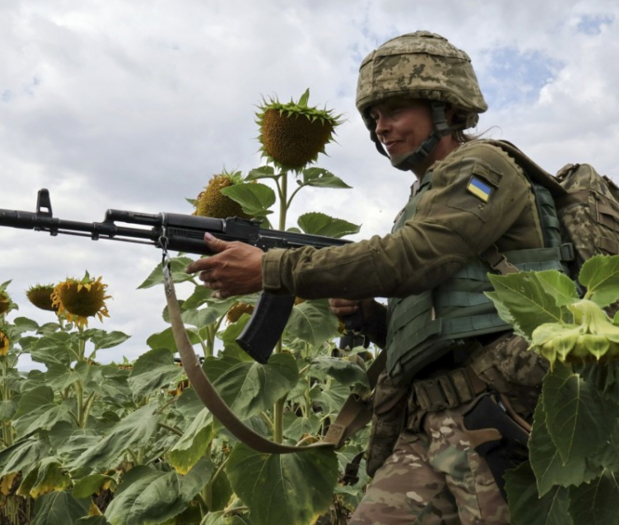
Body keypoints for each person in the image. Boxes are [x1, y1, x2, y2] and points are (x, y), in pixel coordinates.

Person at [186, 30, 569, 525]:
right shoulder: (425, 198)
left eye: (394, 111)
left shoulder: (484, 168)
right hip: (434, 421)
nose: (380, 128)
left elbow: (413, 259)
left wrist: (272, 268)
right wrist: (372, 318)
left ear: (446, 109)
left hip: (492, 418)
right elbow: (448, 323)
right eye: (373, 117)